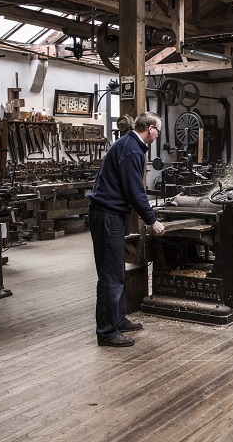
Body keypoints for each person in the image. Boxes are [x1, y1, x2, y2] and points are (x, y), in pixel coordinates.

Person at [88, 112, 165, 347]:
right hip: (107, 216)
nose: (158, 135)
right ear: (150, 129)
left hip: (111, 215)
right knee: (110, 275)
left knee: (116, 270)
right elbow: (134, 191)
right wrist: (152, 220)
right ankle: (107, 332)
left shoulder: (129, 145)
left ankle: (118, 319)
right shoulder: (131, 149)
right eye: (158, 131)